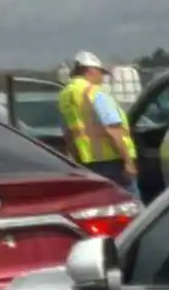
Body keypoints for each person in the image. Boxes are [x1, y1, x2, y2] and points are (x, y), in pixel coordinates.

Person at [57, 52, 138, 196]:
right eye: (101, 73)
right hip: (113, 161)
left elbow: (68, 134)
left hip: (86, 161)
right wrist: (128, 162)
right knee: (132, 205)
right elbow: (112, 130)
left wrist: (76, 161)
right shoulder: (95, 92)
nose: (102, 77)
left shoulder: (65, 95)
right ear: (90, 71)